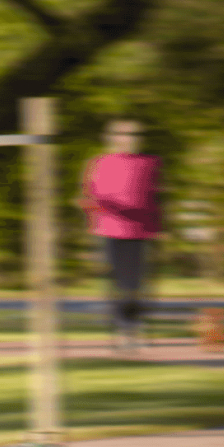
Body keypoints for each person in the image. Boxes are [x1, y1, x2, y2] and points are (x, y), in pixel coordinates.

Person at [80, 120, 162, 354]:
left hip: (141, 232)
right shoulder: (99, 163)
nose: (129, 138)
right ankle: (123, 332)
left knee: (136, 287)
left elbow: (156, 198)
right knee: (117, 287)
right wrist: (94, 214)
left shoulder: (151, 163)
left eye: (135, 133)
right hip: (109, 231)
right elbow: (90, 197)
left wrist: (160, 227)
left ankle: (135, 329)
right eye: (123, 134)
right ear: (112, 137)